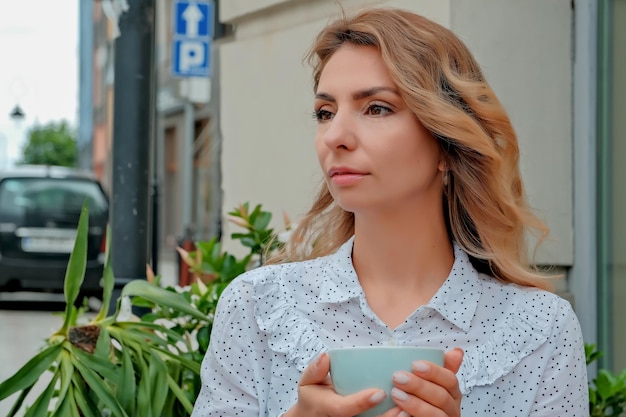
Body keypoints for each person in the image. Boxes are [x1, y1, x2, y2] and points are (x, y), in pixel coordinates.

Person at [191, 7, 588, 417]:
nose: (336, 137)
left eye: (376, 108)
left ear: (447, 144)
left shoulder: (539, 327)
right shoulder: (257, 306)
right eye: (325, 113)